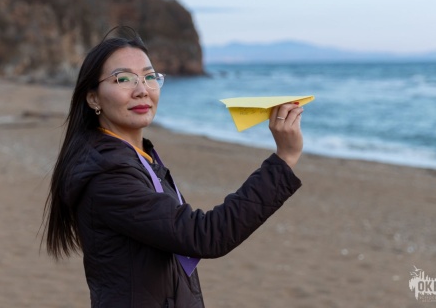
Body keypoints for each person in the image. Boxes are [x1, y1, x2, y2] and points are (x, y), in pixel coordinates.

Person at [42, 26, 304, 307]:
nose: (142, 90)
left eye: (149, 77)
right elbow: (206, 235)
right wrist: (284, 159)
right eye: (124, 79)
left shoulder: (138, 157)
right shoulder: (108, 176)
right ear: (93, 97)